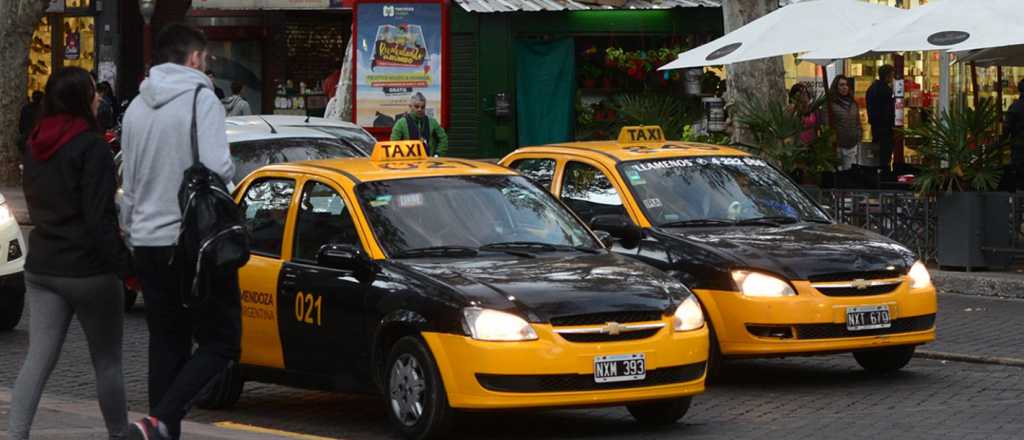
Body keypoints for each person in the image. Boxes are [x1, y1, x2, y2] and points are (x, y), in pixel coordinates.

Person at [121, 23, 238, 440]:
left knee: (165, 342)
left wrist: (131, 233)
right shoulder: (200, 99)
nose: (207, 68)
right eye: (205, 60)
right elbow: (216, 166)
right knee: (223, 340)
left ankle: (157, 429)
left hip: (147, 241)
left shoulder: (136, 106)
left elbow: (129, 183)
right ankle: (162, 419)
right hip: (190, 243)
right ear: (193, 59)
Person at [9, 66, 134, 440]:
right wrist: (125, 266)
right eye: (93, 91)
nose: (98, 97)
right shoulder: (92, 146)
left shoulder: (34, 141)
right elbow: (99, 219)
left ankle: (15, 435)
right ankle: (118, 433)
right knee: (108, 362)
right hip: (89, 270)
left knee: (37, 360)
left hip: (43, 264)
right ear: (82, 99)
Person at [830, 75, 864, 170]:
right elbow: (825, 123)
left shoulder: (853, 103)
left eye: (846, 85)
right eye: (841, 85)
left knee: (849, 174)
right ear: (836, 87)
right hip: (837, 145)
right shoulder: (830, 104)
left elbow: (857, 121)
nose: (845, 87)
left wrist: (859, 134)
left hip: (852, 144)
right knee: (837, 175)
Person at [866, 65, 896, 175]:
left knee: (877, 156)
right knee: (884, 157)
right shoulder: (885, 90)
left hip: (876, 128)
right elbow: (888, 112)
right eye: (892, 75)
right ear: (888, 76)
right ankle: (885, 177)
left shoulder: (872, 88)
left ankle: (877, 177)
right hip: (885, 129)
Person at [1006, 78, 1024, 190]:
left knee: (1019, 181)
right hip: (1018, 147)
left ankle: (1020, 204)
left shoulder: (1015, 107)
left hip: (1019, 149)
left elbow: (1007, 128)